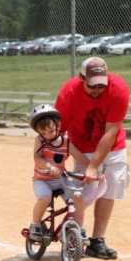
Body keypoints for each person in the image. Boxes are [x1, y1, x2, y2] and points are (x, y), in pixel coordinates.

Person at [54, 57, 130, 260]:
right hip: (82, 146)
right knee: (83, 190)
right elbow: (57, 133)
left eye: (101, 85)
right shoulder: (70, 92)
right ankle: (74, 235)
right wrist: (58, 162)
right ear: (81, 78)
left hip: (113, 147)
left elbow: (111, 131)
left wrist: (95, 165)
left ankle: (97, 241)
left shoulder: (119, 88)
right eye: (92, 85)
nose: (97, 89)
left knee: (111, 186)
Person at [28, 104, 91, 245]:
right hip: (42, 180)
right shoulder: (40, 141)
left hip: (61, 180)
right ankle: (36, 224)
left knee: (78, 196)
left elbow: (81, 158)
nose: (47, 136)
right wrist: (49, 166)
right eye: (43, 133)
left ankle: (79, 229)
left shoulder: (66, 143)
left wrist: (92, 170)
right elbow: (37, 158)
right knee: (44, 198)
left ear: (58, 126)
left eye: (50, 131)